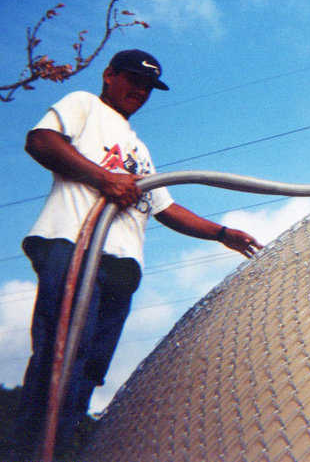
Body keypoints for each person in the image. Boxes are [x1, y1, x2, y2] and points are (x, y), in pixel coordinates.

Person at [10, 49, 262, 459]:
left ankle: (62, 449)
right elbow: (40, 141)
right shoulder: (84, 105)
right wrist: (104, 178)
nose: (139, 90)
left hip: (121, 266)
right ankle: (32, 452)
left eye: (147, 86)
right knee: (62, 356)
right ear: (109, 75)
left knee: (89, 370)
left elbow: (164, 208)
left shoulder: (139, 149)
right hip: (76, 245)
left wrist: (221, 233)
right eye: (132, 80)